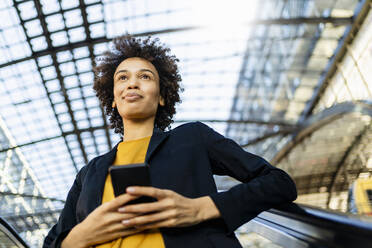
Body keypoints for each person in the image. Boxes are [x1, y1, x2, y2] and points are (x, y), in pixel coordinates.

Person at [43, 35, 297, 248]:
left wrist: (201, 208)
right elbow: (52, 241)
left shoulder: (192, 138)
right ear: (112, 98)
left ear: (162, 97)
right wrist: (77, 237)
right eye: (122, 78)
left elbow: (279, 183)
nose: (132, 83)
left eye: (145, 77)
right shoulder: (89, 173)